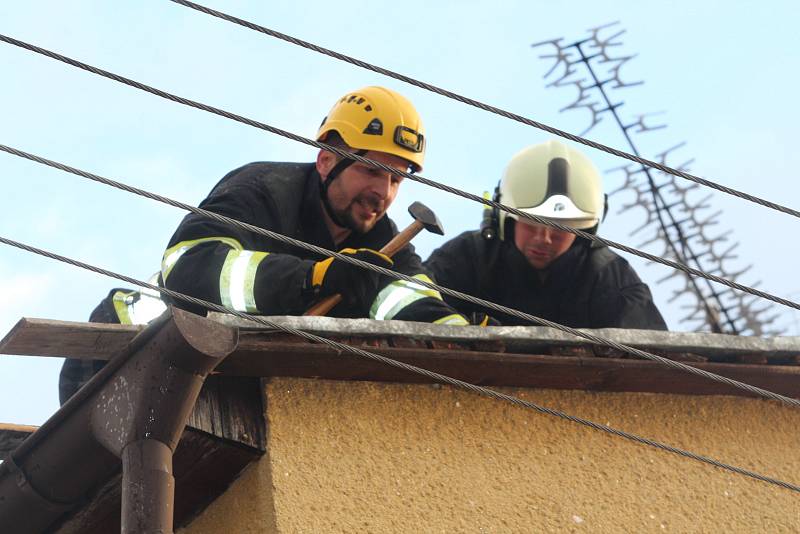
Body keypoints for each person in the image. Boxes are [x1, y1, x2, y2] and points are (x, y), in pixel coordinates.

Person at [59, 86, 478, 404]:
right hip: (113, 360)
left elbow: (414, 308)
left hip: (214, 383)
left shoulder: (384, 245)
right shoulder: (263, 190)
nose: (383, 193)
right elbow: (188, 271)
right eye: (373, 170)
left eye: (397, 179)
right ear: (327, 160)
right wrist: (312, 279)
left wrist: (472, 342)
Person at [424, 139, 668, 330]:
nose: (544, 238)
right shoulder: (466, 258)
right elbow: (413, 307)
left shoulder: (610, 278)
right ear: (505, 218)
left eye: (561, 228)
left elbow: (654, 358)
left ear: (585, 230)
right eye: (532, 224)